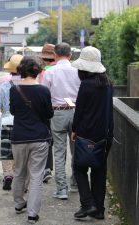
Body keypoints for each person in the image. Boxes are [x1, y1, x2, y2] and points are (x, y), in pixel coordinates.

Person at [71, 46, 114, 220]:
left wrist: (74, 130)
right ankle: (99, 210)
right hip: (105, 133)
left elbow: (79, 111)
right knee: (99, 171)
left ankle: (87, 204)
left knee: (79, 168)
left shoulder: (86, 85)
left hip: (85, 133)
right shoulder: (107, 84)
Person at [10, 56, 54, 223]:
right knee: (36, 175)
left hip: (19, 136)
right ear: (38, 71)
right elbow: (49, 114)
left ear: (21, 69)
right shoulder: (43, 90)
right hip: (39, 138)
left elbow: (13, 111)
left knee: (19, 171)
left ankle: (19, 203)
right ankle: (32, 214)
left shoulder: (14, 89)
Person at [42, 42, 81, 199]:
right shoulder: (78, 71)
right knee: (76, 150)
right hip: (77, 112)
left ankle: (61, 189)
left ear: (55, 55)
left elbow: (45, 95)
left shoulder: (50, 72)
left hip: (57, 113)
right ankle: (76, 184)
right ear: (70, 55)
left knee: (59, 151)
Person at [0, 54, 23, 190]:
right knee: (21, 150)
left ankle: (8, 175)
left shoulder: (5, 85)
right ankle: (19, 177)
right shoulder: (28, 84)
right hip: (23, 123)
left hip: (7, 121)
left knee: (6, 150)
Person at [37, 43, 56, 183]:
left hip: (47, 110)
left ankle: (47, 168)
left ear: (43, 58)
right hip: (66, 108)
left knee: (47, 138)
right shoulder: (65, 69)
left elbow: (41, 94)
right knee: (63, 145)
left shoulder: (44, 73)